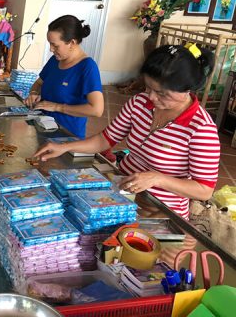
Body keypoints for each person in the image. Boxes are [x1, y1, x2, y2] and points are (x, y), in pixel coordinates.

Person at [34, 44, 220, 220]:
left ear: (187, 89)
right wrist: (65, 147)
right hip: (122, 193)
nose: (152, 97)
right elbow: (105, 139)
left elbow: (204, 189)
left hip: (161, 209)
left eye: (162, 93)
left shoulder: (200, 128)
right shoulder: (140, 103)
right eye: (148, 88)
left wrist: (156, 178)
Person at [24, 15, 104, 140]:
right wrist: (33, 93)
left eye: (55, 45)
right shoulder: (55, 61)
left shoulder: (87, 67)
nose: (51, 49)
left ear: (72, 43)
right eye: (50, 44)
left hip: (66, 136)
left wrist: (57, 107)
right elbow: (38, 83)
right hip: (43, 127)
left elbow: (97, 110)